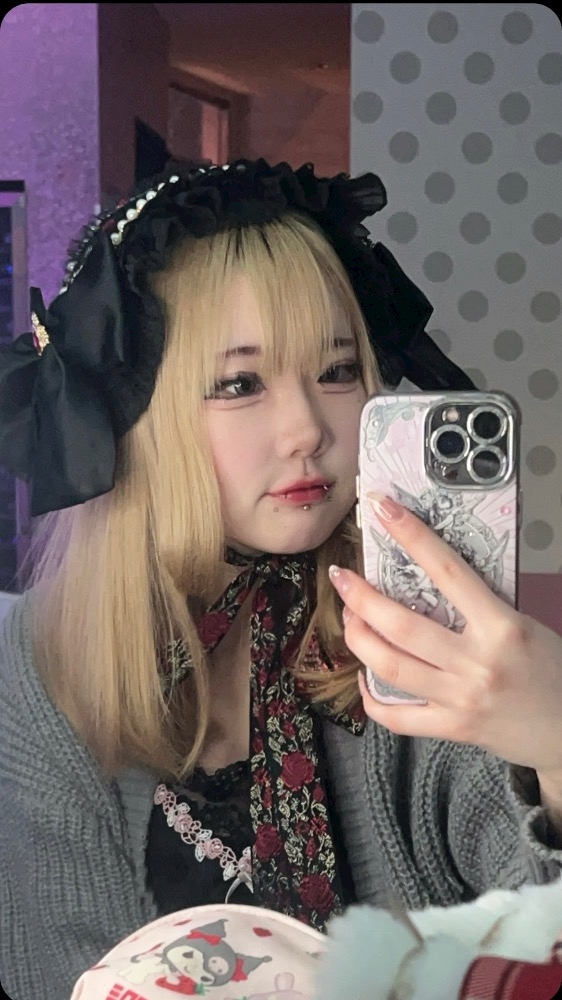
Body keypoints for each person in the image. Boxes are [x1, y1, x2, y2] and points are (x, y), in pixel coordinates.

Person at [0, 158, 561, 1000]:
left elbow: (530, 932)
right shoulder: (37, 668)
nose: (307, 429)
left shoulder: (414, 624)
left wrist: (555, 744)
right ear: (135, 416)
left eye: (337, 370)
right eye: (240, 383)